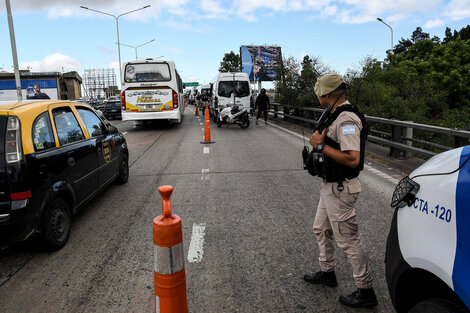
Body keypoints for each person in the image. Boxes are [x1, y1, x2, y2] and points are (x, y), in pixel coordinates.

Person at [304, 73, 377, 308]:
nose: (318, 96)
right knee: (321, 229)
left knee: (348, 240)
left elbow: (352, 158)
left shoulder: (346, 120)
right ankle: (328, 272)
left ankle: (366, 290)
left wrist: (320, 146)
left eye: (319, 92)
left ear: (326, 94)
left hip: (341, 188)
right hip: (330, 186)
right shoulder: (334, 113)